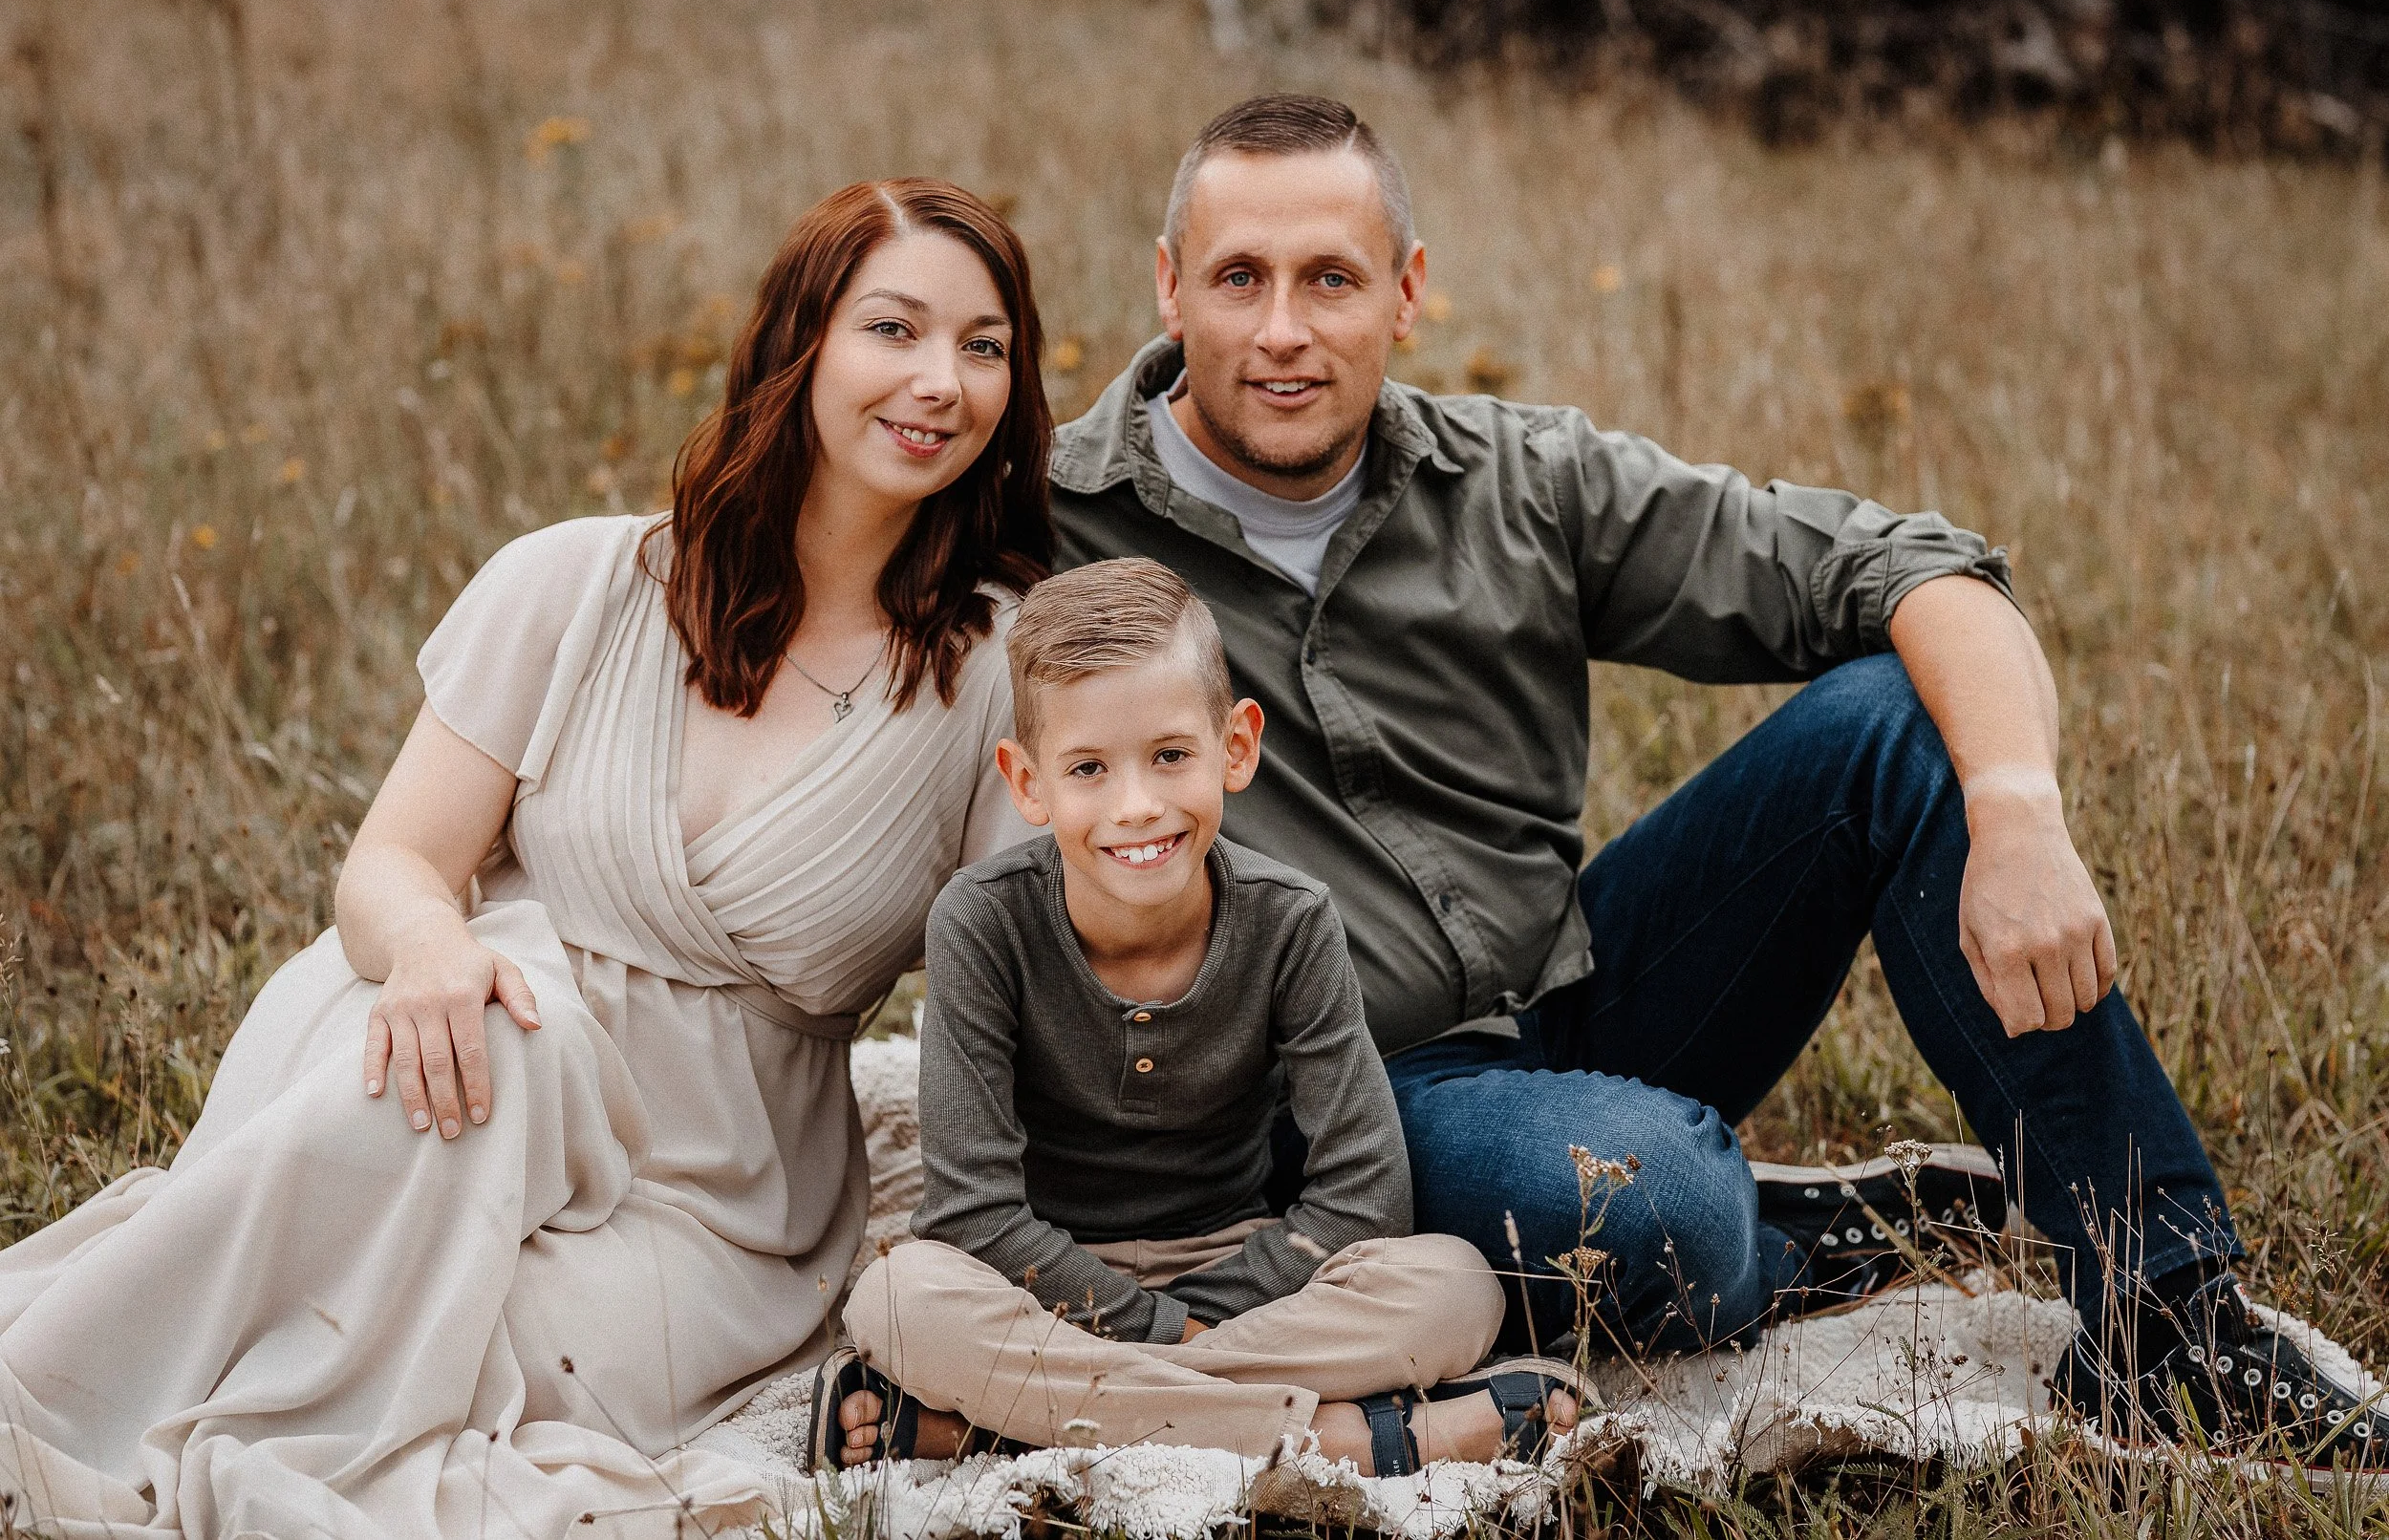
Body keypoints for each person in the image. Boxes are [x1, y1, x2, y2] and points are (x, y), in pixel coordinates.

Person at [1046, 93, 2388, 1476]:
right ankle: (1786, 1231)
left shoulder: (1518, 480)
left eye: (1329, 278)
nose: (1281, 329)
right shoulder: (1046, 525)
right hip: (1327, 1103)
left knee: (1892, 719)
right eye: (1239, 278)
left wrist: (2018, 811)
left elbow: (1918, 569)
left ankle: (2168, 1320)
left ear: (1407, 291)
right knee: (1660, 1201)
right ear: (1169, 288)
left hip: (1572, 995)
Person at [0, 179, 1054, 1537]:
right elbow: (391, 863)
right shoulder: (576, 583)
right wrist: (432, 946)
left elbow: (1021, 986)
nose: (941, 380)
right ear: (798, 346)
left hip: (714, 1184)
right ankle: (46, 1402)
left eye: (983, 345)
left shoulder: (995, 672)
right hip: (448, 1041)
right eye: (894, 328)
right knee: (496, 1040)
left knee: (436, 1367)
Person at [818, 558, 1585, 1476]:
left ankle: (997, 1424)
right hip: (1038, 1280)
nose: (1137, 805)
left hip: (1248, 1270)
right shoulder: (981, 922)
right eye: (1088, 768)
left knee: (1454, 1285)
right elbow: (975, 1214)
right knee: (901, 1298)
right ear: (1028, 782)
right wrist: (1154, 1322)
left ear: (1236, 747)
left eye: (1171, 756)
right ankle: (1356, 1438)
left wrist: (1187, 1325)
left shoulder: (1290, 920)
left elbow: (1365, 1192)